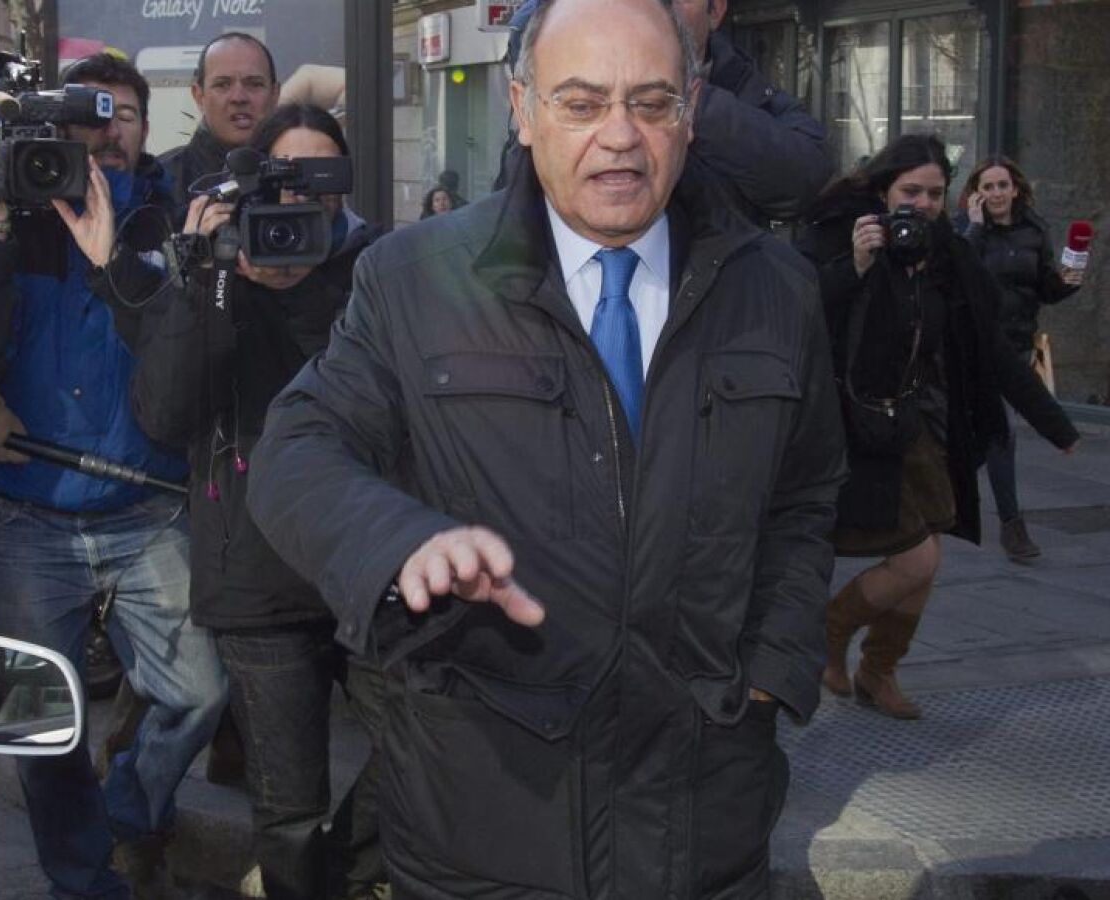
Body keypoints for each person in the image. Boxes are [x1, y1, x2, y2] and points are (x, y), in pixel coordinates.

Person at [245, 0, 847, 895]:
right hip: (484, 827)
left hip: (705, 825)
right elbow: (296, 452)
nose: (620, 136)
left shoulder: (778, 291)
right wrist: (399, 541)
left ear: (690, 112)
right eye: (581, 102)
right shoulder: (415, 280)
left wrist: (772, 668)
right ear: (524, 111)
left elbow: (805, 495)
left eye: (650, 102)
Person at [0, 52, 227, 900]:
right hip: (26, 514)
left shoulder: (171, 222)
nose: (102, 137)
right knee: (38, 722)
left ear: (145, 125)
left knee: (200, 691)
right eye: (80, 124)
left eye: (120, 117)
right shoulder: (9, 222)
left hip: (145, 506)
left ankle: (127, 812)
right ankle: (80, 877)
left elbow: (189, 349)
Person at [129, 104, 385, 900]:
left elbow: (379, 401)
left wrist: (303, 289)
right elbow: (166, 413)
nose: (299, 200)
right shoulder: (214, 275)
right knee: (289, 810)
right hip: (259, 583)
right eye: (283, 178)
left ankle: (343, 876)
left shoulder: (376, 271)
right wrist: (208, 275)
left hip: (368, 568)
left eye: (318, 179)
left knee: (436, 749)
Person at [797, 135, 1080, 720]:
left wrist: (1055, 424)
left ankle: (878, 670)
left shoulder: (948, 254)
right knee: (916, 560)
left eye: (934, 193)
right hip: (857, 426)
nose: (923, 204)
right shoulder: (839, 237)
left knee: (928, 555)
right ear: (883, 190)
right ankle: (830, 628)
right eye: (911, 192)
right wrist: (856, 266)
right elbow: (802, 317)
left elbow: (991, 348)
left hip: (922, 425)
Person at [496, 0, 832, 224]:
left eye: (651, 106)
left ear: (715, 11)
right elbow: (512, 214)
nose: (656, 7)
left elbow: (805, 181)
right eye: (583, 107)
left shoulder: (746, 90)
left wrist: (685, 102)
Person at [955, 156, 1084, 560]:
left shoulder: (1034, 231)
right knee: (1002, 432)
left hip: (1019, 345)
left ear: (1015, 189)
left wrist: (1067, 282)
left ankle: (938, 486)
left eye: (1002, 185)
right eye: (988, 187)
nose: (996, 193)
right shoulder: (967, 231)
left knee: (987, 436)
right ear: (977, 194)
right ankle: (1012, 526)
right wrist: (975, 226)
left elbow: (1045, 289)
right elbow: (958, 274)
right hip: (979, 347)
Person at [159, 33, 280, 201]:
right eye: (222, 85)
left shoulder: (297, 177)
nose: (238, 97)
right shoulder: (159, 182)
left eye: (254, 84)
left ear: (275, 95)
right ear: (199, 96)